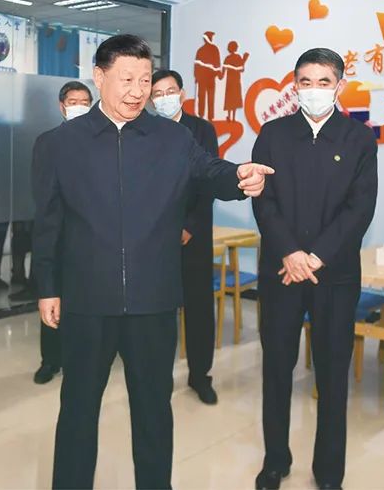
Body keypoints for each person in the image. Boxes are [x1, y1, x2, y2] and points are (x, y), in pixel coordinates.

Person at [33, 34, 272, 490]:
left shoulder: (171, 137)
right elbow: (48, 222)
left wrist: (240, 176)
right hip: (87, 300)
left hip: (153, 301)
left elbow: (210, 170)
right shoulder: (59, 144)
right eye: (127, 79)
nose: (138, 91)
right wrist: (47, 286)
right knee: (78, 410)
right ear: (99, 76)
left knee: (153, 413)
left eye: (145, 80)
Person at [251, 48, 378, 490]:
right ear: (295, 86)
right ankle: (275, 461)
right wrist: (289, 253)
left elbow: (360, 208)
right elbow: (264, 201)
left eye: (324, 82)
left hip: (335, 276)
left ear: (340, 86)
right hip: (281, 273)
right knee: (276, 369)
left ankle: (328, 472)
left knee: (332, 373)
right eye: (305, 82)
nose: (314, 90)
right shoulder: (273, 134)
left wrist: (315, 257)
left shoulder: (358, 138)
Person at [150, 69, 219, 405]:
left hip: (195, 236)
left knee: (199, 310)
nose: (165, 98)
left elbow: (208, 181)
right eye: (158, 94)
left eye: (170, 91)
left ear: (182, 93)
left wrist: (189, 226)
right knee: (159, 312)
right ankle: (159, 378)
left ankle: (200, 376)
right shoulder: (145, 132)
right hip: (155, 239)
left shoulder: (202, 130)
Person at [32, 80, 92, 386]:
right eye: (73, 102)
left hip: (91, 239)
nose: (79, 106)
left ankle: (79, 360)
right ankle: (50, 360)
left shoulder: (101, 141)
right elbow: (42, 195)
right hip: (57, 236)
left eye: (84, 102)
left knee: (84, 305)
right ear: (61, 106)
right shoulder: (47, 142)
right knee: (52, 299)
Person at [193, 31, 222, 121]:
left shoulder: (201, 50)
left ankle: (202, 115)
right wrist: (218, 74)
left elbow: (197, 65)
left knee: (203, 97)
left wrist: (196, 77)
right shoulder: (214, 49)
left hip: (205, 78)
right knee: (209, 97)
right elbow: (217, 63)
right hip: (209, 78)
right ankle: (209, 117)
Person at [223, 41, 250, 121]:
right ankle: (232, 118)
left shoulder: (228, 58)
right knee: (234, 99)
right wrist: (244, 61)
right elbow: (241, 69)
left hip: (231, 81)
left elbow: (223, 71)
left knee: (230, 99)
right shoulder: (237, 57)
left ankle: (230, 117)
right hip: (234, 81)